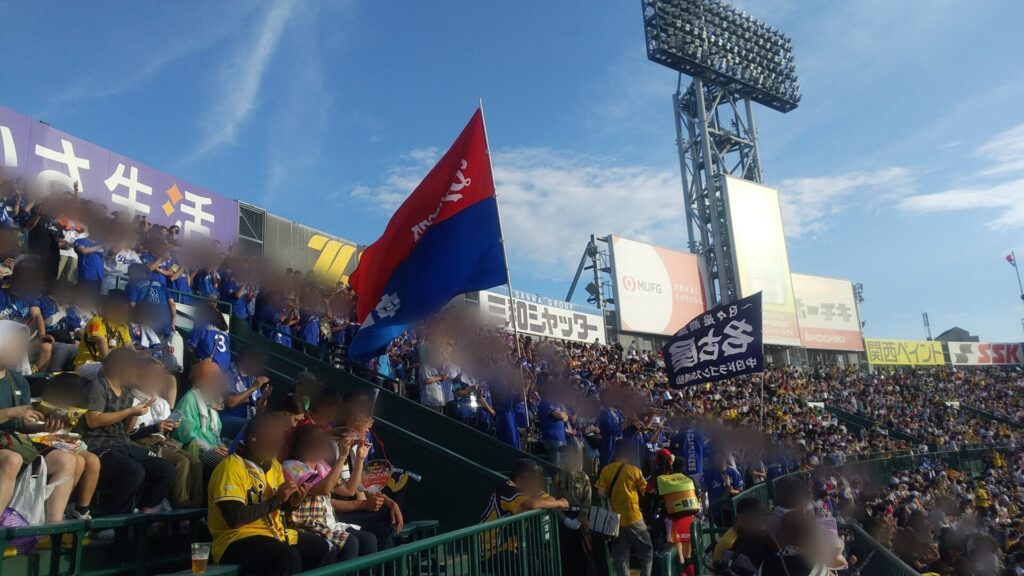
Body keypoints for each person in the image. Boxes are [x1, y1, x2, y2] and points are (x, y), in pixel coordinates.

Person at [208, 413, 334, 575]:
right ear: (253, 438)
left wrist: (291, 504)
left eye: (279, 438)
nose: (278, 443)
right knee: (286, 557)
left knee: (323, 548)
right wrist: (277, 500)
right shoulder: (230, 467)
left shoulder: (274, 466)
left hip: (275, 533)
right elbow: (234, 518)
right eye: (272, 437)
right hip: (235, 539)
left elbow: (278, 509)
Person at [0, 321, 93, 523]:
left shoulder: (18, 380)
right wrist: (10, 412)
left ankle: (51, 528)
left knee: (67, 460)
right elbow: (15, 414)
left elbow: (24, 423)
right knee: (12, 459)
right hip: (7, 447)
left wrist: (47, 424)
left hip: (15, 441)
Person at [80, 348, 176, 515]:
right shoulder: (99, 385)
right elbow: (93, 420)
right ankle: (110, 520)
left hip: (122, 444)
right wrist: (130, 412)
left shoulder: (126, 394)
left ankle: (144, 511)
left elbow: (126, 430)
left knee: (165, 469)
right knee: (133, 471)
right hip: (98, 445)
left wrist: (138, 410)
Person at [283, 424, 377, 561]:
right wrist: (342, 457)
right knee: (350, 543)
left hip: (327, 523)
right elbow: (324, 489)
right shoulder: (292, 466)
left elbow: (349, 490)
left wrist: (360, 459)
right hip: (306, 525)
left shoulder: (320, 465)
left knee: (369, 540)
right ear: (306, 444)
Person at [130, 359, 204, 508]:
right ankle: (181, 503)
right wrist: (156, 427)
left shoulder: (161, 402)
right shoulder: (131, 399)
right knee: (182, 462)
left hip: (162, 441)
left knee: (195, 462)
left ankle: (196, 505)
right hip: (142, 443)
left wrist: (172, 425)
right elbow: (130, 433)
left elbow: (165, 430)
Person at [480, 459, 569, 569]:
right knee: (531, 564)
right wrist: (559, 502)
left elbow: (549, 498)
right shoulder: (507, 487)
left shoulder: (528, 489)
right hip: (489, 552)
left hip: (509, 548)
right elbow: (532, 504)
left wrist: (553, 502)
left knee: (545, 556)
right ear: (520, 479)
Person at [597, 439, 653, 576]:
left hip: (615, 521)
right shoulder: (634, 470)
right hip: (634, 517)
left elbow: (601, 493)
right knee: (646, 552)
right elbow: (645, 491)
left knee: (621, 558)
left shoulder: (606, 470)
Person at [173, 362, 229, 469]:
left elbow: (216, 432)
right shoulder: (188, 400)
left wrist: (220, 447)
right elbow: (186, 435)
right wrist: (211, 449)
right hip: (192, 450)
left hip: (212, 448)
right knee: (224, 466)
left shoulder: (211, 401)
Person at [713, 498, 779, 576]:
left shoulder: (748, 537)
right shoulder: (731, 542)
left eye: (763, 518)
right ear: (740, 519)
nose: (761, 522)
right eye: (757, 518)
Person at [219, 346, 270, 440]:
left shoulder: (252, 378)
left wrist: (263, 398)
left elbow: (259, 411)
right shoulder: (229, 373)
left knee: (265, 426)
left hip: (245, 418)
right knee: (253, 426)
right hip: (226, 418)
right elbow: (230, 403)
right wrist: (253, 388)